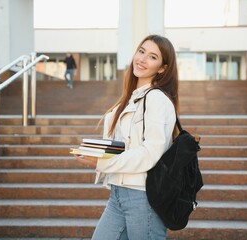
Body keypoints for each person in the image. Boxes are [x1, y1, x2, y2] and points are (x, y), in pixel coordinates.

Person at [74, 34, 179, 240]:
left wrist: (103, 163)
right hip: (118, 195)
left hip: (142, 196)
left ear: (162, 68)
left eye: (152, 57)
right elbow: (125, 144)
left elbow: (150, 153)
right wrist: (97, 151)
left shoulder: (157, 99)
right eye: (141, 51)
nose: (142, 59)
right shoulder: (132, 97)